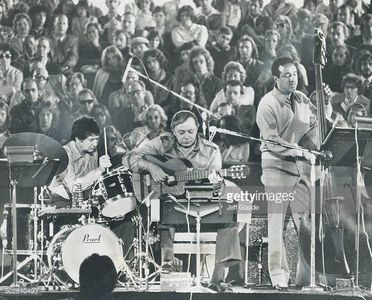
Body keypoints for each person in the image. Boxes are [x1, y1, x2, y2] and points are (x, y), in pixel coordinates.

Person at [123, 110, 240, 292]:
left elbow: (218, 185)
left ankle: (217, 279)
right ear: (173, 132)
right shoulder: (163, 142)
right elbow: (129, 157)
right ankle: (167, 262)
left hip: (203, 205)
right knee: (166, 207)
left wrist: (217, 184)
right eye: (181, 132)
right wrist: (152, 167)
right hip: (174, 206)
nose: (187, 137)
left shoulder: (211, 150)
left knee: (230, 218)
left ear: (198, 129)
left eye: (191, 132)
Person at [256, 57, 325, 290]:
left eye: (294, 73)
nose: (292, 78)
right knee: (276, 223)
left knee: (305, 222)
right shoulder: (267, 104)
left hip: (301, 168)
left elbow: (318, 126)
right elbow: (273, 142)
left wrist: (327, 106)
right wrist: (301, 151)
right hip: (276, 166)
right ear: (276, 79)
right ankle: (278, 276)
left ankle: (307, 277)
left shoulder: (303, 100)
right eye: (286, 74)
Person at [49, 116, 112, 207]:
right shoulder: (64, 154)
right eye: (91, 140)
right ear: (78, 138)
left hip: (84, 200)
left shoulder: (93, 150)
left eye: (97, 139)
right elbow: (74, 188)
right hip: (61, 202)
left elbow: (91, 185)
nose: (95, 144)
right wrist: (99, 170)